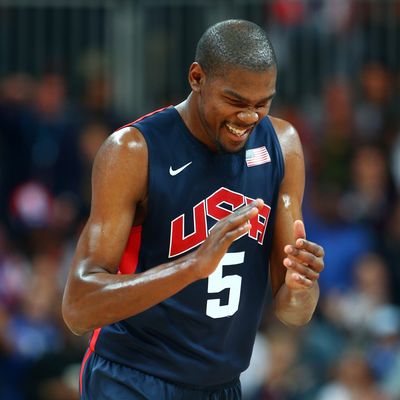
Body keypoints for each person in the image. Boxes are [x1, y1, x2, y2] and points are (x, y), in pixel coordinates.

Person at [62, 19, 325, 400]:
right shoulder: (133, 151)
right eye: (235, 101)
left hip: (220, 387)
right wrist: (191, 267)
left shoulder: (282, 146)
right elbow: (78, 307)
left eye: (262, 104)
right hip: (131, 378)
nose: (249, 118)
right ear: (197, 77)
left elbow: (292, 312)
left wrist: (303, 287)